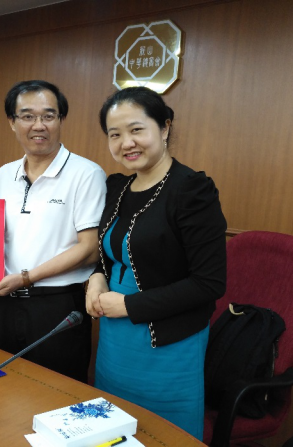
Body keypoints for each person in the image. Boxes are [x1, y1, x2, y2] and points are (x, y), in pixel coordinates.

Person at [86, 86, 227, 439]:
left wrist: (128, 305)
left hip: (168, 342)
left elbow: (209, 283)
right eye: (114, 134)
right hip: (115, 338)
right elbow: (112, 255)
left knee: (163, 436)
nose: (126, 143)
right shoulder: (117, 187)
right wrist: (97, 277)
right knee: (112, 431)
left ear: (164, 128)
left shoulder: (192, 190)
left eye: (136, 130)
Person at [0, 80, 107, 383]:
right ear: (12, 122)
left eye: (48, 116)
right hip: (8, 303)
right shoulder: (4, 174)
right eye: (27, 116)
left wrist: (26, 277)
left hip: (58, 306)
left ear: (61, 119)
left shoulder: (86, 173)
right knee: (8, 386)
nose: (38, 125)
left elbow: (89, 248)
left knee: (57, 390)